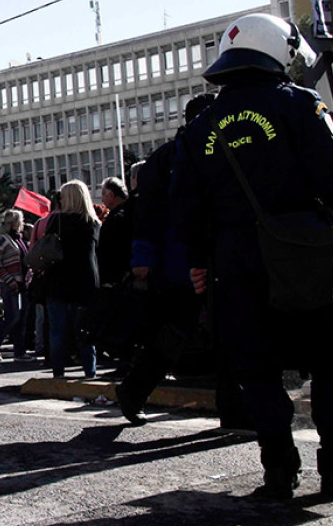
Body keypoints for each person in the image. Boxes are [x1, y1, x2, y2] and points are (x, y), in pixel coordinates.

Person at [171, 13, 333, 499]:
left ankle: (278, 471)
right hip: (303, 259)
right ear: (278, 51)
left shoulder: (201, 127)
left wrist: (201, 260)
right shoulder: (299, 106)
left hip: (235, 265)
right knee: (329, 364)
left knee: (257, 372)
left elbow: (184, 210)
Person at [116, 93, 217, 426]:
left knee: (201, 330)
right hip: (181, 262)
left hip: (200, 258)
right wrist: (143, 258)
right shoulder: (168, 159)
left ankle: (135, 389)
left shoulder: (209, 151)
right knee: (177, 330)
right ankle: (134, 389)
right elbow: (146, 215)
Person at [40, 180, 101, 379]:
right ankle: (89, 371)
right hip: (85, 281)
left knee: (57, 331)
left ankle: (58, 372)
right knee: (84, 329)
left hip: (58, 280)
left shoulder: (57, 221)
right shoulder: (92, 223)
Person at [0, 210, 30, 361]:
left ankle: (19, 352)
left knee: (22, 318)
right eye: (21, 221)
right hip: (10, 284)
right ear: (14, 223)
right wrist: (8, 279)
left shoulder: (19, 240)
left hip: (23, 283)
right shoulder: (2, 240)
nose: (23, 224)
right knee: (12, 317)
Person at [97, 177, 132, 286]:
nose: (102, 199)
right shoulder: (132, 210)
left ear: (111, 195)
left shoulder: (116, 219)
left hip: (117, 278)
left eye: (103, 194)